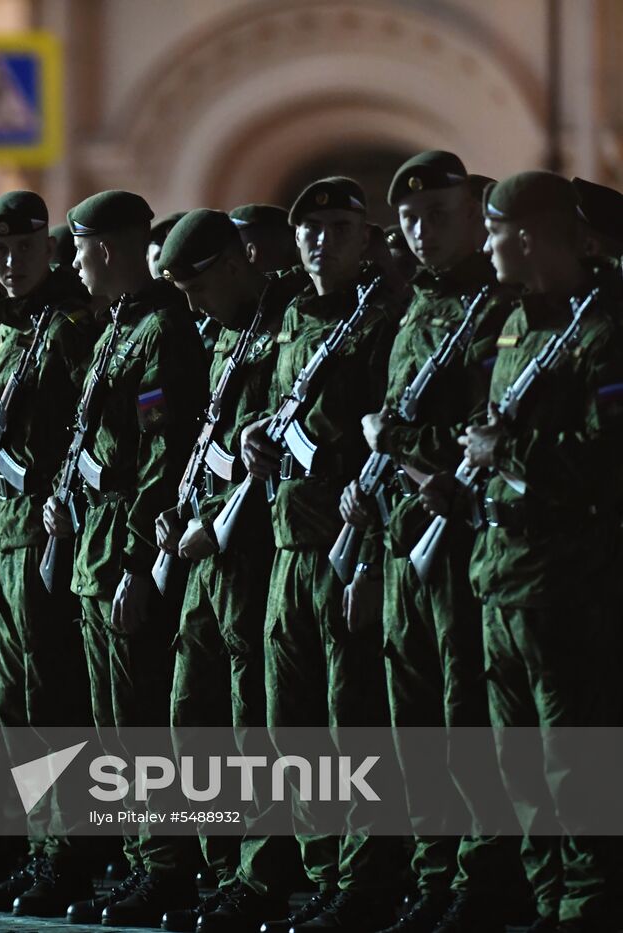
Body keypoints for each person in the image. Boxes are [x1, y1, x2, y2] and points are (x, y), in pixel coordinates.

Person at [342, 150, 526, 933]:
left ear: (475, 210)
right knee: (409, 717)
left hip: (459, 541)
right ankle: (433, 871)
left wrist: (400, 440)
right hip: (402, 539)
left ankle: (482, 876)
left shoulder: (499, 309)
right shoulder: (415, 308)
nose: (421, 231)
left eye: (440, 215)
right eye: (410, 219)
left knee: (464, 714)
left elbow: (488, 432)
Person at [238, 177, 406, 932]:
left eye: (339, 228)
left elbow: (384, 447)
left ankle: (362, 875)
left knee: (352, 724)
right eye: (310, 229)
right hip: (286, 543)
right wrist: (254, 438)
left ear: (366, 239)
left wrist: (368, 556)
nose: (319, 242)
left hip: (342, 547)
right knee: (290, 727)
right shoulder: (291, 316)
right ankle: (318, 871)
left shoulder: (380, 322)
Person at [458, 171, 623, 932]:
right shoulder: (516, 322)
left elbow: (607, 453)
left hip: (565, 577)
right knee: (516, 756)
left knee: (574, 755)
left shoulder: (605, 326)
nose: (485, 247)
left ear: (524, 236)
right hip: (503, 570)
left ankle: (588, 901)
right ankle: (547, 895)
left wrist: (509, 450)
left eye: (492, 233)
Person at [39, 190, 208, 926]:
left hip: (125, 550)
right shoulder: (116, 328)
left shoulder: (162, 330)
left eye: (79, 252)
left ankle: (166, 865)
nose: (74, 267)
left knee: (140, 721)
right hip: (94, 547)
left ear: (105, 250)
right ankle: (139, 857)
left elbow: (163, 458)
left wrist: (140, 561)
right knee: (112, 723)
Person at [153, 208, 308, 931]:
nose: (192, 303)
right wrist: (186, 512)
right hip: (205, 550)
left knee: (254, 724)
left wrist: (222, 515)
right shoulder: (225, 333)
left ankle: (261, 873)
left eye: (200, 283)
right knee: (194, 714)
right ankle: (220, 867)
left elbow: (284, 440)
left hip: (252, 555)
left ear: (241, 260)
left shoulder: (288, 324)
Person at [0, 190, 98, 917]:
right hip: (5, 533)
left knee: (52, 700)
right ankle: (34, 843)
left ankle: (69, 852)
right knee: (11, 700)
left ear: (49, 248)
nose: (10, 262)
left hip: (49, 531)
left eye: (23, 248)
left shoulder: (71, 323)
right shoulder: (9, 327)